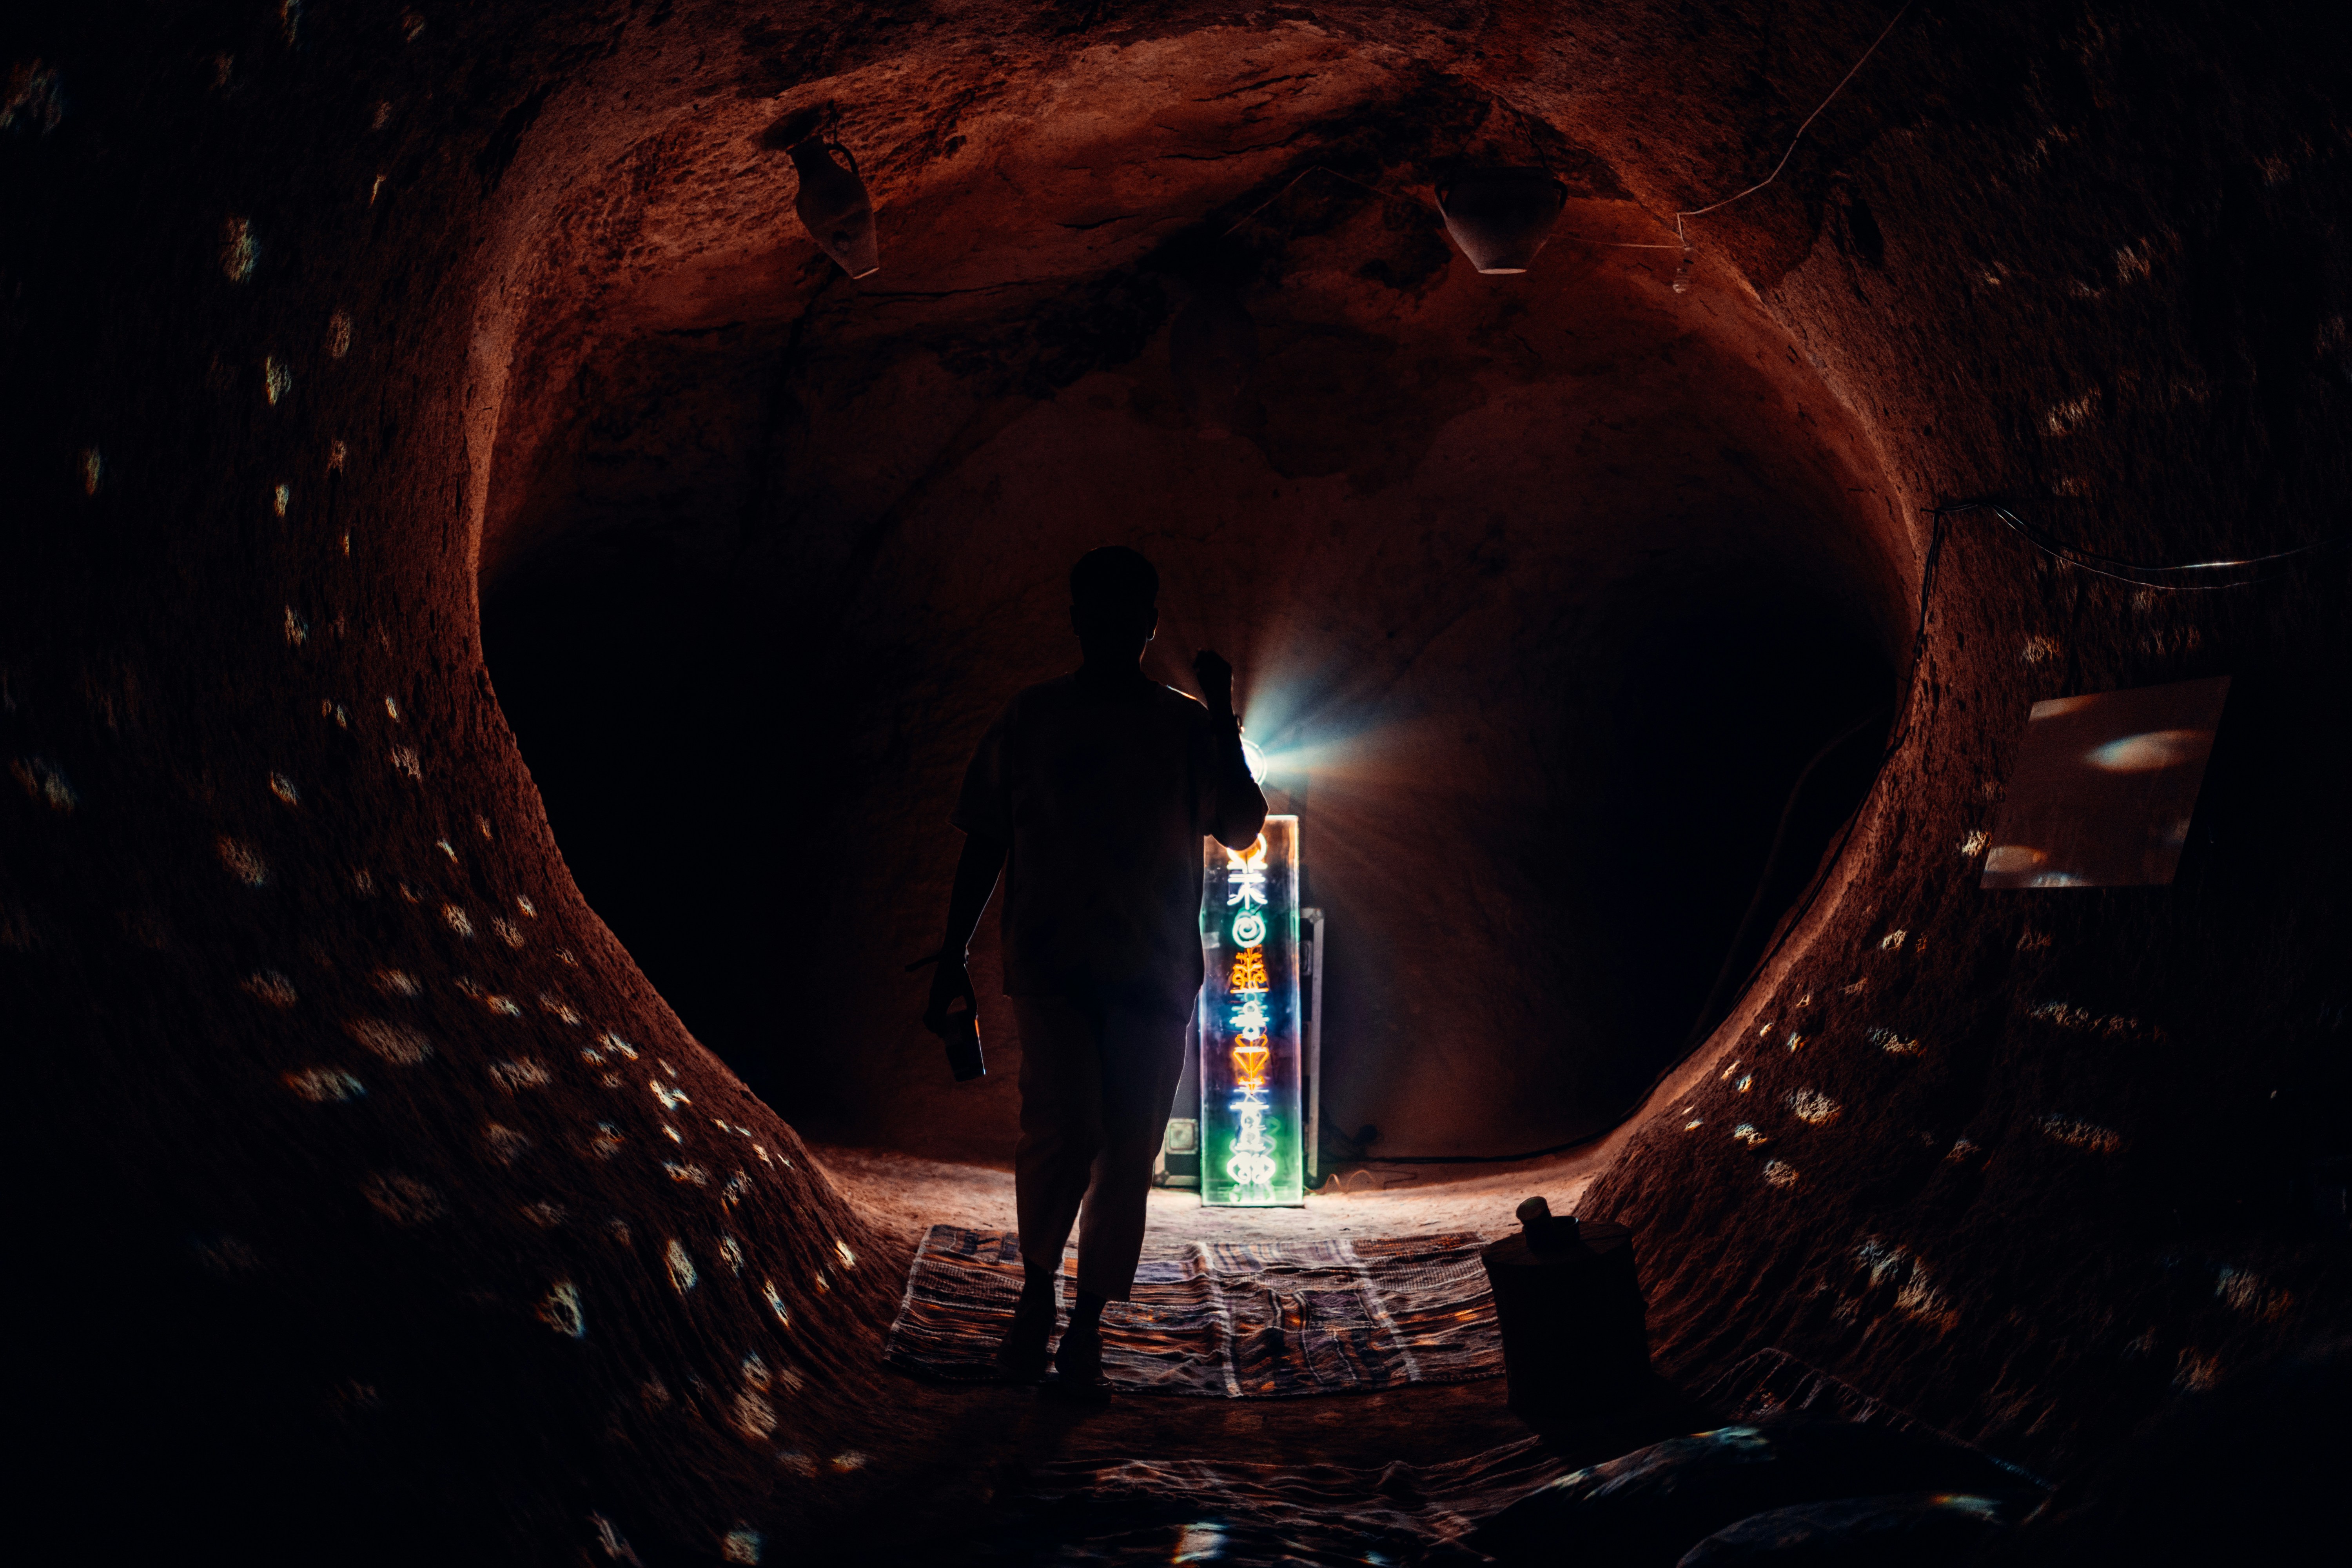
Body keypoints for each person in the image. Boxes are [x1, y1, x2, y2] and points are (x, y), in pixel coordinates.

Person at [924, 545, 1267, 1388]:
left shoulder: (1187, 725)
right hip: (1058, 963)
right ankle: (1042, 1297)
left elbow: (1242, 825)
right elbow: (987, 840)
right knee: (1065, 1131)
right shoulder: (1032, 718)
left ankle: (1081, 1322)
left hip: (1146, 973)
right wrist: (953, 950)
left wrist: (1222, 711)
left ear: (1149, 625)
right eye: (1101, 615)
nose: (1116, 630)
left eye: (1131, 617)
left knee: (1126, 1145)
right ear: (1076, 620)